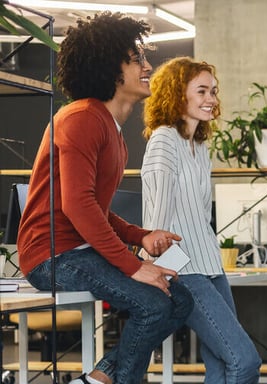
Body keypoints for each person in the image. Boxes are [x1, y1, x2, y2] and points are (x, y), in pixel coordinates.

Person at [17, 12, 194, 384]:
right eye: (136, 60)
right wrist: (134, 266)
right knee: (153, 303)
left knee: (179, 300)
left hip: (79, 250)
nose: (148, 67)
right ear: (109, 68)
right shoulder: (81, 118)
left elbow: (94, 208)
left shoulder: (113, 132)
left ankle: (98, 379)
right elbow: (77, 206)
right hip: (52, 255)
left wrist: (139, 236)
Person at [141, 57, 262, 383]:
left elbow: (200, 215)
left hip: (210, 264)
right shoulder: (164, 140)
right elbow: (156, 221)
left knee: (222, 364)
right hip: (183, 268)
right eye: (202, 91)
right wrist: (149, 267)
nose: (212, 99)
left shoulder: (199, 144)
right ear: (177, 94)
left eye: (214, 91)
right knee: (244, 360)